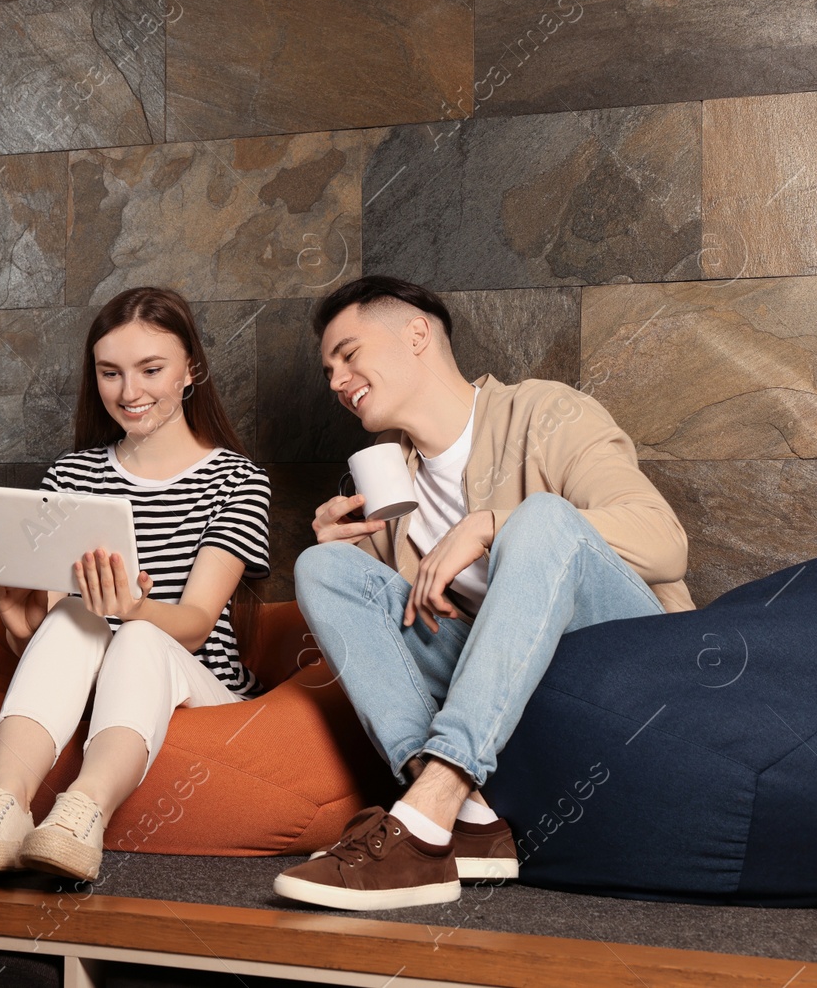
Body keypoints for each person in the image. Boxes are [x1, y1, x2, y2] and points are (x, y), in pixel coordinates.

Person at [274, 275, 691, 911]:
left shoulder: (547, 412)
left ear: (417, 334)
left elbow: (665, 541)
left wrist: (492, 526)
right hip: (517, 693)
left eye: (349, 354)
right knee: (319, 568)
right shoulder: (393, 486)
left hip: (632, 666)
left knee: (545, 517)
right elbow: (406, 631)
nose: (335, 380)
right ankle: (465, 819)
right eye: (328, 367)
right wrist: (345, 548)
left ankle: (427, 811)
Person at [0, 287, 271, 883]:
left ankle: (81, 811)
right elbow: (60, 645)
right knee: (75, 620)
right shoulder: (72, 475)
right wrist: (24, 629)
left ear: (190, 370)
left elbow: (195, 625)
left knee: (139, 638)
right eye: (110, 373)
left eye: (151, 369)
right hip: (95, 692)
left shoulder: (237, 479)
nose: (130, 392)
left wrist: (138, 610)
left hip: (202, 690)